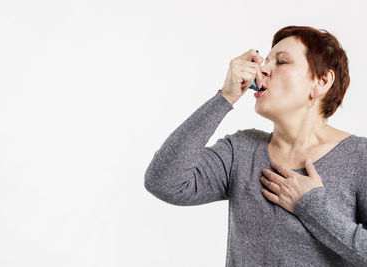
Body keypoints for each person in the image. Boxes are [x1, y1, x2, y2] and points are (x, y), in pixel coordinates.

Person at [144, 25, 367, 266]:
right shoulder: (241, 149)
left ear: (322, 81)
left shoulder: (359, 157)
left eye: (281, 62)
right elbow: (163, 180)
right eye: (266, 61)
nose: (263, 70)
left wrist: (312, 207)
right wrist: (225, 97)